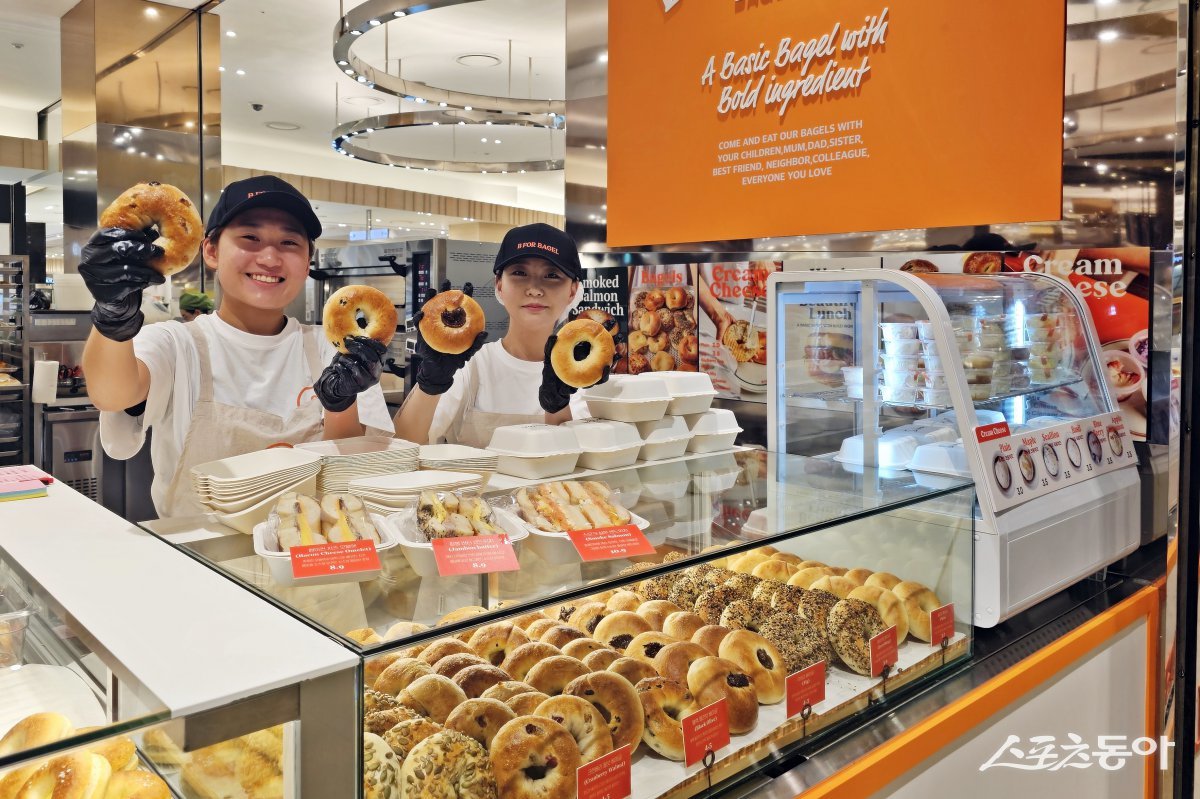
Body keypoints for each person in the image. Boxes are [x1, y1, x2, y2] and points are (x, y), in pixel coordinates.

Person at [82, 175, 393, 517]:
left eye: (289, 242)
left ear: (307, 263)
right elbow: (112, 394)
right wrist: (113, 315)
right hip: (201, 554)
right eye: (251, 237)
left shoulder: (336, 348)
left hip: (311, 551)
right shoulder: (176, 343)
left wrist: (340, 402)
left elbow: (354, 467)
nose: (271, 258)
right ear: (211, 250)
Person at [392, 223, 612, 447]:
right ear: (499, 285)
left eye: (552, 275)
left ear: (573, 291)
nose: (534, 288)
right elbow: (402, 448)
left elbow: (582, 466)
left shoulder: (589, 376)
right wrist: (430, 383)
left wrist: (557, 406)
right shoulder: (471, 365)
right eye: (519, 273)